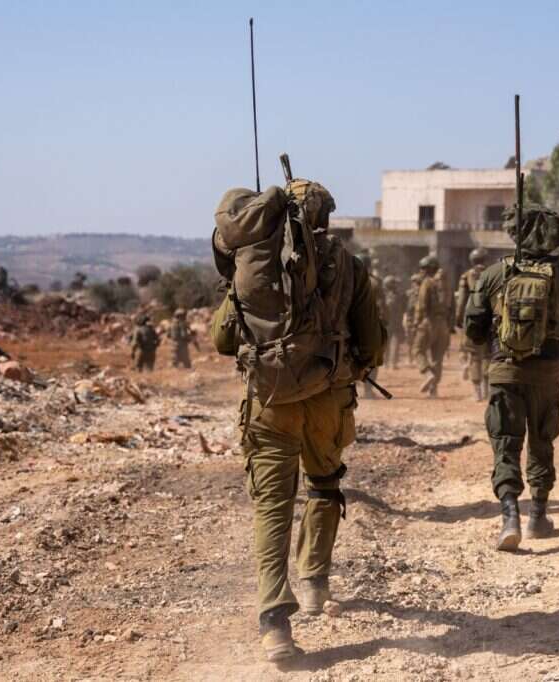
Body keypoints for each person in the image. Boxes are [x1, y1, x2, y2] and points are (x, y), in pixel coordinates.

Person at [210, 179, 385, 662]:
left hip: (270, 400)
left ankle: (275, 624)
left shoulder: (254, 262)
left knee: (272, 505)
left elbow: (223, 341)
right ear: (325, 217)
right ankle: (314, 583)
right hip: (327, 398)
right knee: (325, 484)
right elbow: (372, 342)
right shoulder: (348, 265)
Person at [464, 204, 559, 552]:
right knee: (542, 440)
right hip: (547, 373)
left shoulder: (493, 274)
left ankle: (510, 516)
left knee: (506, 442)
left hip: (505, 371)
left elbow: (472, 328)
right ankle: (539, 517)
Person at [413, 255, 451, 398]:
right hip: (444, 324)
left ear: (428, 269)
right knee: (437, 357)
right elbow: (452, 306)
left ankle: (427, 373)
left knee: (417, 349)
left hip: (429, 322)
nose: (421, 271)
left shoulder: (427, 283)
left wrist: (417, 322)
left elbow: (421, 306)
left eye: (423, 268)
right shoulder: (446, 284)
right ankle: (433, 390)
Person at [456, 247, 490, 401]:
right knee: (488, 355)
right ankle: (487, 389)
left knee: (475, 355)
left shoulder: (467, 276)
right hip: (491, 320)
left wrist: (458, 318)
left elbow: (462, 300)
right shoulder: (495, 273)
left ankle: (477, 392)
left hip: (473, 319)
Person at [357, 252, 387, 399]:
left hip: (352, 326)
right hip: (372, 325)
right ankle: (368, 390)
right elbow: (383, 305)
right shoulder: (376, 282)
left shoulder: (349, 280)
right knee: (373, 358)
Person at [383, 275, 407, 370]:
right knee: (393, 343)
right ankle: (392, 363)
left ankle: (387, 363)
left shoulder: (385, 296)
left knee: (388, 344)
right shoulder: (398, 296)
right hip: (395, 323)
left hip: (388, 323)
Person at [403, 272, 424, 366]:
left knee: (420, 341)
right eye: (413, 282)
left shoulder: (422, 293)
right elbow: (405, 307)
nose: (414, 284)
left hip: (419, 320)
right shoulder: (409, 294)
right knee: (410, 341)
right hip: (410, 320)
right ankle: (410, 358)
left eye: (416, 282)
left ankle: (417, 359)